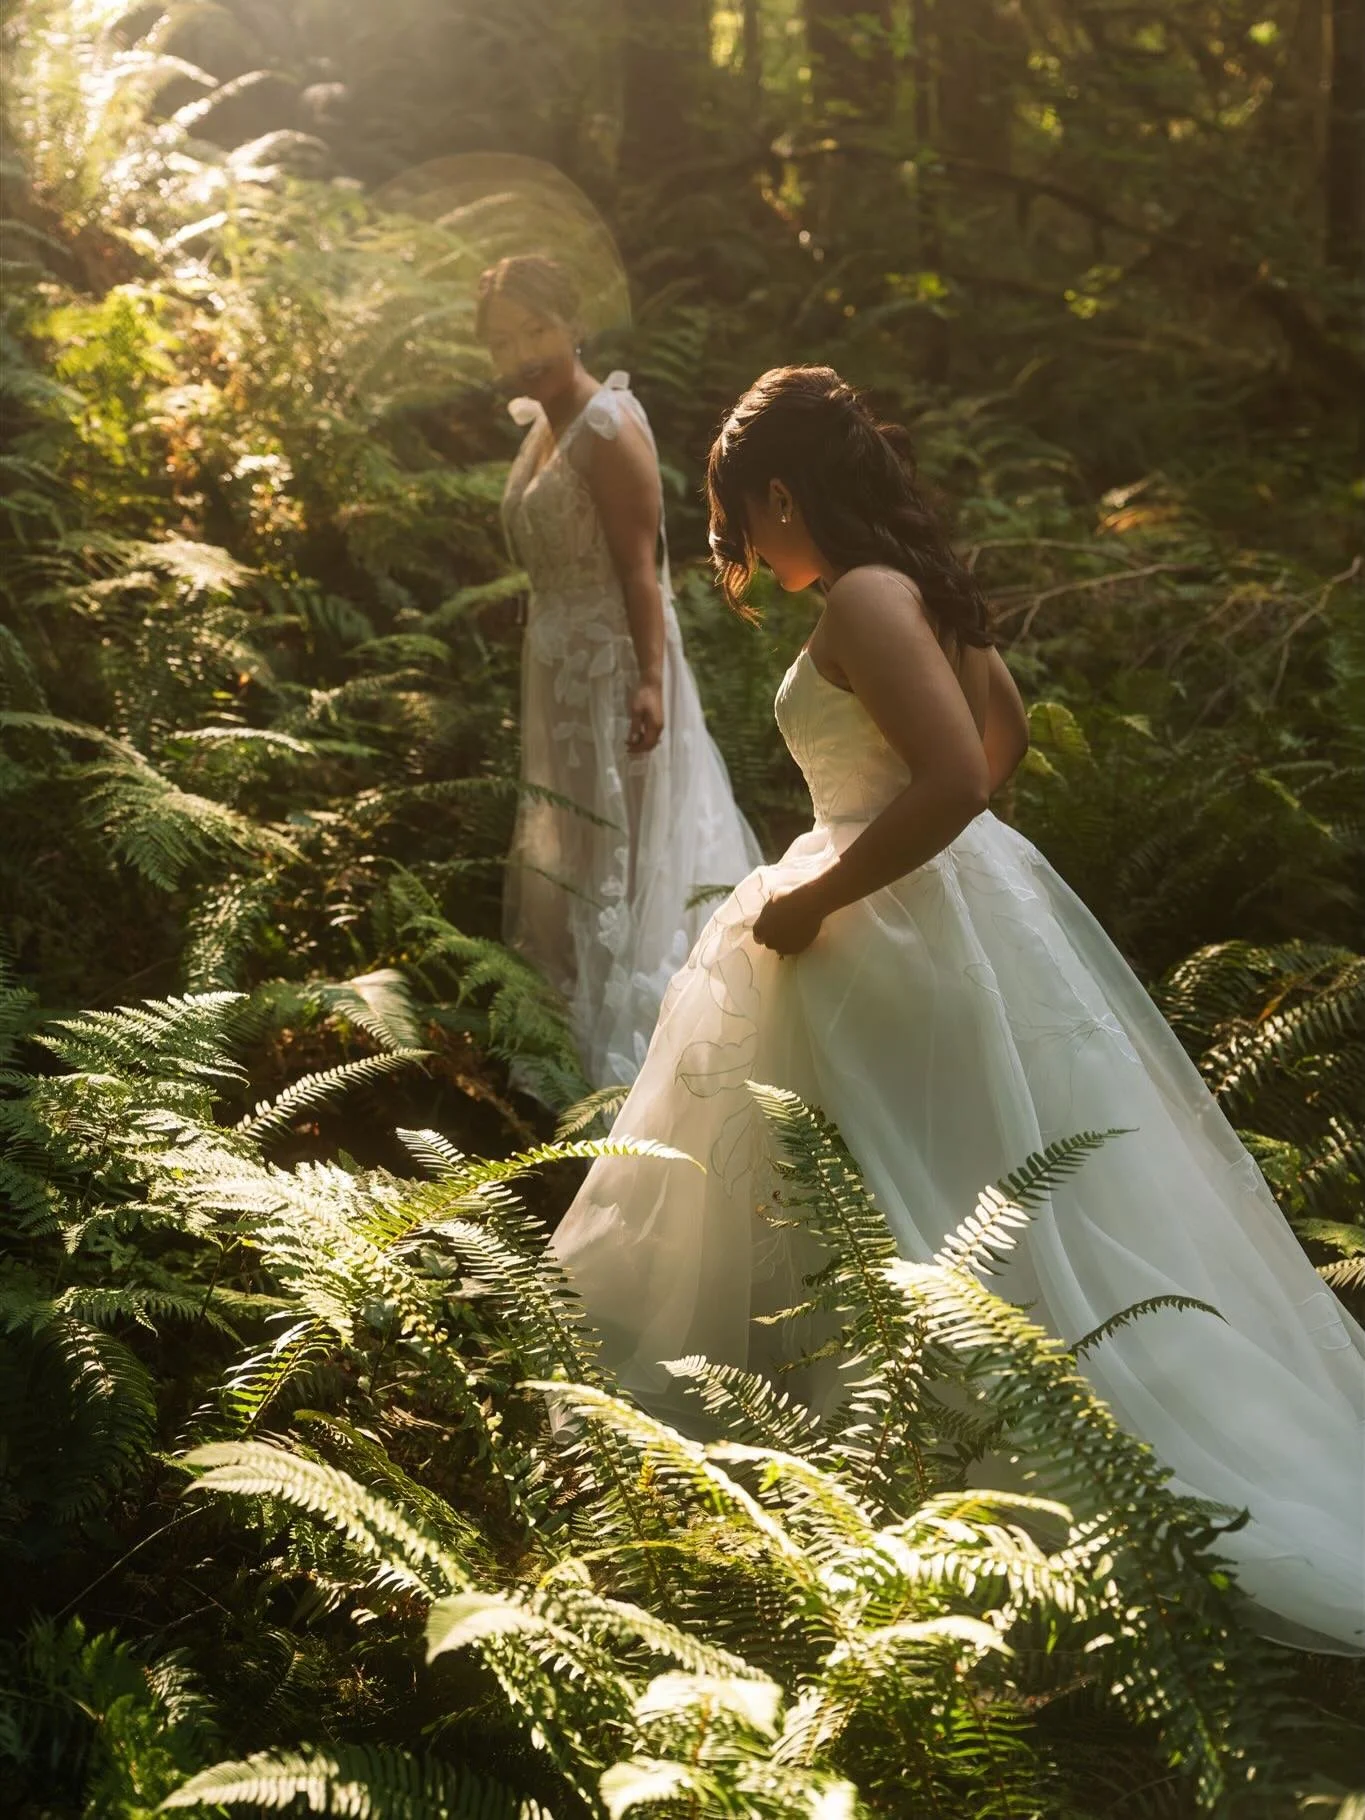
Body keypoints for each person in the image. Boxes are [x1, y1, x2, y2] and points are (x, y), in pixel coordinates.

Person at [550, 364, 1365, 1652]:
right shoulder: (916, 586)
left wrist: (829, 894)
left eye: (740, 516)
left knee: (909, 1191)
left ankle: (941, 1478)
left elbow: (951, 780)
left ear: (777, 492)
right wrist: (935, 872)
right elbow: (1008, 737)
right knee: (959, 1186)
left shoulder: (869, 596)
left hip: (890, 906)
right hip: (947, 904)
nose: (742, 547)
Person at [479, 255, 762, 1089]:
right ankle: (565, 1030)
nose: (522, 350)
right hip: (555, 665)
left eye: (535, 329)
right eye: (503, 339)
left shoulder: (607, 423)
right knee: (569, 838)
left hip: (612, 666)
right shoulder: (540, 424)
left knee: (627, 842)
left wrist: (648, 679)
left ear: (571, 323)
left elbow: (642, 570)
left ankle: (654, 1048)